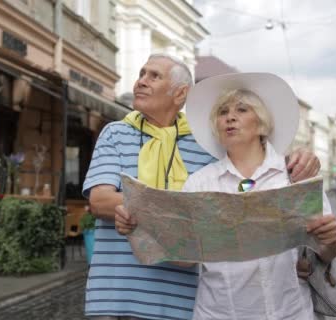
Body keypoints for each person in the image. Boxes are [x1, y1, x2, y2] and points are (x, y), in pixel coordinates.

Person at [83, 55, 323, 320]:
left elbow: (245, 187)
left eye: (154, 76)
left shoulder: (208, 146)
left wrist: (300, 159)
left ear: (180, 93)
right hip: (118, 292)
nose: (141, 81)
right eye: (141, 73)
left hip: (182, 296)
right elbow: (99, 200)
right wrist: (167, 211)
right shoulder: (115, 133)